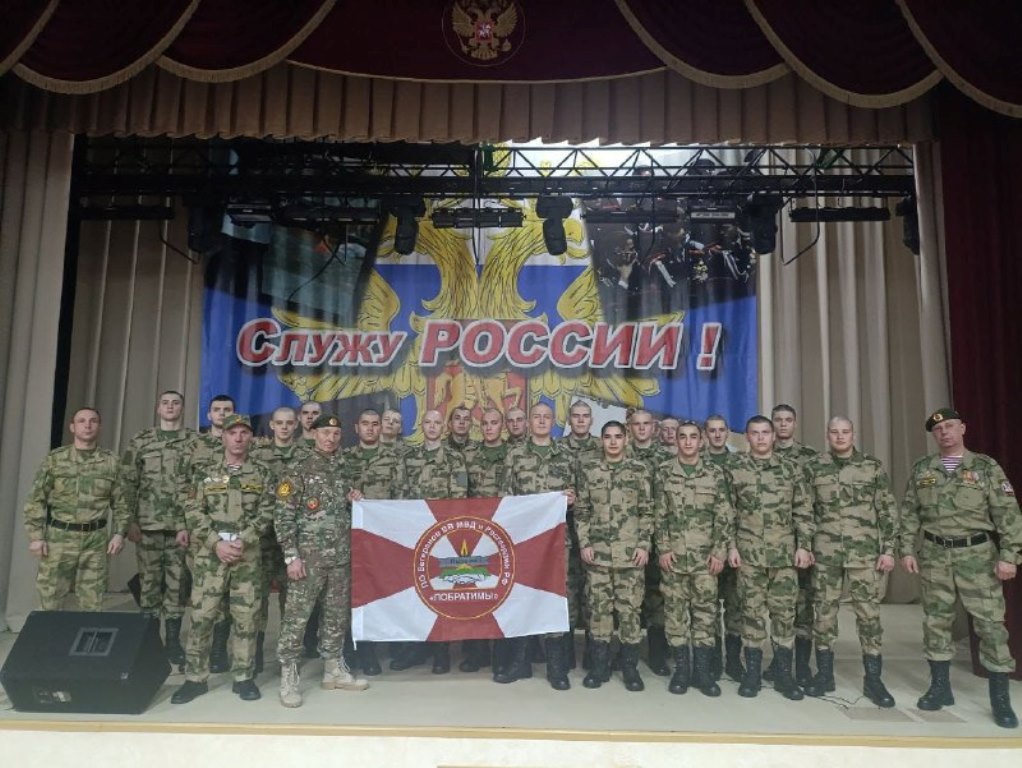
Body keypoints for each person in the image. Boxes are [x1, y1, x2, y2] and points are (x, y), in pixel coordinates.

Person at [900, 407, 1022, 729]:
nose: (945, 433)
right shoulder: (923, 468)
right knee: (936, 622)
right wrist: (906, 549)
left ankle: (1000, 699)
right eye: (938, 430)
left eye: (950, 426)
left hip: (977, 556)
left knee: (990, 626)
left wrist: (1010, 555)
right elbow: (910, 512)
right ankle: (940, 689)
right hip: (935, 555)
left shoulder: (984, 467)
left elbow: (1008, 513)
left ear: (963, 429)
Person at [172, 414, 275, 704]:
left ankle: (243, 677)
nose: (238, 438)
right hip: (210, 556)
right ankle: (195, 678)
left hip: (246, 555)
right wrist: (216, 543)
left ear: (251, 437)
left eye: (244, 432)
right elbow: (193, 511)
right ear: (223, 437)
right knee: (202, 617)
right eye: (233, 433)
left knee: (246, 618)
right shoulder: (205, 473)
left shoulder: (262, 473)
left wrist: (245, 539)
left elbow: (268, 510)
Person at [274, 413, 368, 708]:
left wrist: (355, 500)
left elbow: (344, 512)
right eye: (325, 433)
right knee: (297, 617)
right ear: (314, 434)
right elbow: (283, 515)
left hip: (339, 556)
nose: (330, 438)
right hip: (308, 558)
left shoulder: (344, 468)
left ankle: (333, 669)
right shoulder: (298, 469)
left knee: (336, 615)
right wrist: (291, 556)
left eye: (335, 434)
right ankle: (289, 676)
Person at [802, 417, 897, 707]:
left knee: (868, 615)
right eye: (834, 432)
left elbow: (887, 509)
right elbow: (805, 511)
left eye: (845, 432)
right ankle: (824, 675)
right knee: (824, 614)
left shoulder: (871, 466)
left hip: (863, 554)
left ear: (853, 434)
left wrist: (888, 549)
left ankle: (873, 679)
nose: (840, 436)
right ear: (827, 435)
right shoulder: (814, 467)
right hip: (825, 553)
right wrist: (805, 546)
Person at [727, 415, 814, 701]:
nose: (761, 437)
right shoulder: (736, 469)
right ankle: (752, 675)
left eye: (766, 432)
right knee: (751, 614)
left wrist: (804, 546)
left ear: (774, 436)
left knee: (784, 615)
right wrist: (731, 547)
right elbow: (727, 512)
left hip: (783, 557)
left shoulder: (790, 469)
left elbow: (803, 511)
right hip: (749, 555)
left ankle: (783, 676)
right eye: (755, 433)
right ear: (747, 437)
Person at [500, 402, 577, 689]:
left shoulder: (566, 455)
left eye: (546, 417)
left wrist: (572, 499)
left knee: (555, 598)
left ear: (553, 422)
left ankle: (556, 668)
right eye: (537, 417)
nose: (542, 421)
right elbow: (506, 497)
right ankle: (520, 662)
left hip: (557, 543)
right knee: (522, 597)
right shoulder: (515, 455)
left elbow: (580, 494)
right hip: (524, 542)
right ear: (529, 422)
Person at [654, 420, 732, 697]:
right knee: (675, 616)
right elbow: (658, 514)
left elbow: (724, 515)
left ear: (701, 441)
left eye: (693, 437)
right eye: (682, 437)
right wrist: (663, 548)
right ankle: (682, 671)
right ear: (676, 441)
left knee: (705, 616)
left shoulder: (714, 473)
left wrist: (719, 551)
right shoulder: (664, 472)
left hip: (705, 560)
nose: (688, 442)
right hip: (674, 558)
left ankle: (702, 672)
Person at [23, 407, 128, 611]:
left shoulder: (111, 461)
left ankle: (86, 634)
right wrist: (36, 536)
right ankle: (52, 634)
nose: (87, 425)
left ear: (99, 427)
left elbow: (122, 502)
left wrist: (119, 534)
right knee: (50, 601)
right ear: (72, 427)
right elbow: (36, 499)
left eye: (93, 421)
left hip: (95, 541)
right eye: (81, 421)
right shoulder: (55, 459)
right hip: (59, 538)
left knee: (92, 603)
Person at [575, 421, 652, 692]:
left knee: (630, 613)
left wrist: (643, 545)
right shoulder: (590, 471)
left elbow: (647, 510)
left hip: (630, 556)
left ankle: (630, 669)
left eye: (618, 436)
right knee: (599, 612)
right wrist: (584, 542)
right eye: (608, 437)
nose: (613, 442)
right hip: (598, 555)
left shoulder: (639, 470)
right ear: (602, 440)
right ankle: (600, 667)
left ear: (626, 439)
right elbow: (582, 511)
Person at [390, 409, 468, 674]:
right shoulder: (407, 458)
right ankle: (414, 649)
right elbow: (399, 495)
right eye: (428, 422)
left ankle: (441, 652)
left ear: (443, 427)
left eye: (437, 422)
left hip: (443, 538)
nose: (432, 426)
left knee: (440, 594)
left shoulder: (455, 459)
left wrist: (444, 530)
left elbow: (460, 497)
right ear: (421, 425)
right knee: (414, 593)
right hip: (414, 536)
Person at [121, 390, 195, 665]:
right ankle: (149, 643)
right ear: (158, 408)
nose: (170, 407)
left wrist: (190, 523)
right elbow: (128, 482)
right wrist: (129, 522)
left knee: (177, 586)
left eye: (175, 403)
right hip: (147, 525)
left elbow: (199, 484)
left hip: (180, 527)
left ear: (182, 409)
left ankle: (173, 643)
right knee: (149, 585)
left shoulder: (194, 441)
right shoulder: (141, 440)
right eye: (165, 403)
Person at [342, 408, 405, 676]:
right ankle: (359, 651)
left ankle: (387, 647)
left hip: (382, 539)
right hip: (350, 538)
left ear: (381, 428)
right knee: (355, 594)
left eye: (375, 424)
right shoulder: (344, 459)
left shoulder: (394, 459)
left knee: (383, 592)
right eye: (365, 423)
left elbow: (401, 497)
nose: (370, 428)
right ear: (356, 428)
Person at [249, 406, 310, 673]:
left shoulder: (306, 456)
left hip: (295, 538)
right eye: (279, 423)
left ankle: (289, 655)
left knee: (292, 599)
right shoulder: (256, 455)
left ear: (296, 425)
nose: (284, 427)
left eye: (289, 423)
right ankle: (255, 653)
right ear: (272, 425)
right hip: (263, 537)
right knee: (258, 596)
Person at [184, 393, 236, 674]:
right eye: (217, 409)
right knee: (204, 595)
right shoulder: (194, 446)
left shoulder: (244, 444)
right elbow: (183, 486)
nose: (222, 413)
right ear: (209, 415)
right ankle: (196, 661)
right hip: (203, 534)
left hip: (234, 533)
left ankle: (219, 650)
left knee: (228, 596)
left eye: (227, 409)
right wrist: (183, 525)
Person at [771, 403, 817, 686]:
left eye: (788, 420)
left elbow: (812, 503)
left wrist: (807, 543)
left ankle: (802, 667)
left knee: (803, 606)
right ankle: (779, 665)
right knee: (778, 608)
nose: (783, 424)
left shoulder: (810, 458)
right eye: (778, 419)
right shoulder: (761, 454)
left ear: (795, 423)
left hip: (801, 543)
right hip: (771, 546)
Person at [461, 407, 511, 673]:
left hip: (505, 533)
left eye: (494, 423)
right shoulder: (468, 455)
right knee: (475, 591)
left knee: (503, 594)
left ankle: (502, 654)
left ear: (502, 426)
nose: (490, 427)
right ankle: (476, 652)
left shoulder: (514, 453)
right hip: (476, 534)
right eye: (486, 423)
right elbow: (461, 492)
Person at [627, 408, 673, 678]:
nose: (642, 428)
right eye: (637, 424)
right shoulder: (621, 455)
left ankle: (657, 653)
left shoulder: (666, 459)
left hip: (659, 538)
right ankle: (624, 654)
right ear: (630, 428)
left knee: (658, 595)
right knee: (628, 597)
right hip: (627, 537)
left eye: (646, 424)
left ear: (654, 428)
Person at [704, 414, 743, 682]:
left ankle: (734, 660)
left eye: (721, 430)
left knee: (735, 604)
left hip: (738, 543)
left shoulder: (740, 463)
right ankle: (713, 659)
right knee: (708, 605)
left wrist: (733, 545)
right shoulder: (698, 461)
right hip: (707, 545)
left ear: (727, 432)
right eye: (712, 431)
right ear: (705, 434)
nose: (717, 435)